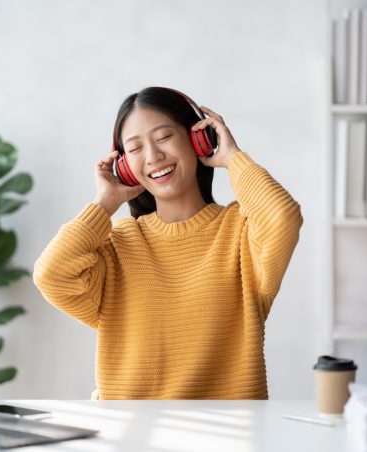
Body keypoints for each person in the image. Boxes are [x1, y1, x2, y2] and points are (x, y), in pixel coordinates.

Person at [33, 86, 303, 400]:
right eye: (134, 149)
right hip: (130, 437)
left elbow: (283, 217)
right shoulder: (116, 244)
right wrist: (104, 203)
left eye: (163, 138)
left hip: (225, 437)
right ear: (124, 167)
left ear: (199, 138)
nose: (153, 156)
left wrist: (233, 158)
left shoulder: (240, 234)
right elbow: (51, 275)